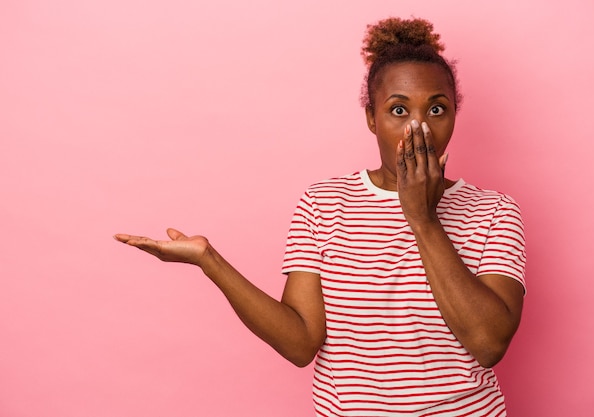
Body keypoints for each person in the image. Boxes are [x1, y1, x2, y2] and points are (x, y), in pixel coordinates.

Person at [115, 17, 526, 417]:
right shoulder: (323, 204)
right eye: (398, 111)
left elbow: (489, 344)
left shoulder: (494, 212)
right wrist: (209, 260)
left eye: (437, 109)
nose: (419, 127)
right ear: (372, 119)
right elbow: (300, 344)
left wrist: (422, 218)